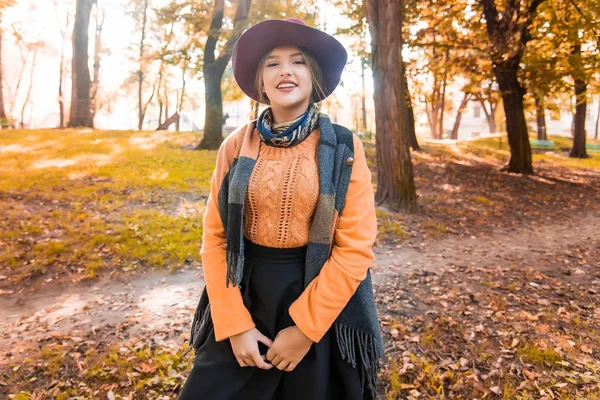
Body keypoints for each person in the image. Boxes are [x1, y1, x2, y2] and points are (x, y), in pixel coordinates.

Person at [178, 18, 383, 400]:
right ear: (260, 81)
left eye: (298, 61)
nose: (285, 70)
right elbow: (216, 238)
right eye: (272, 63)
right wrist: (235, 323)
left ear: (314, 75)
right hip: (243, 290)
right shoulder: (235, 146)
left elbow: (355, 248)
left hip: (315, 293)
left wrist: (305, 330)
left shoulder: (343, 148)